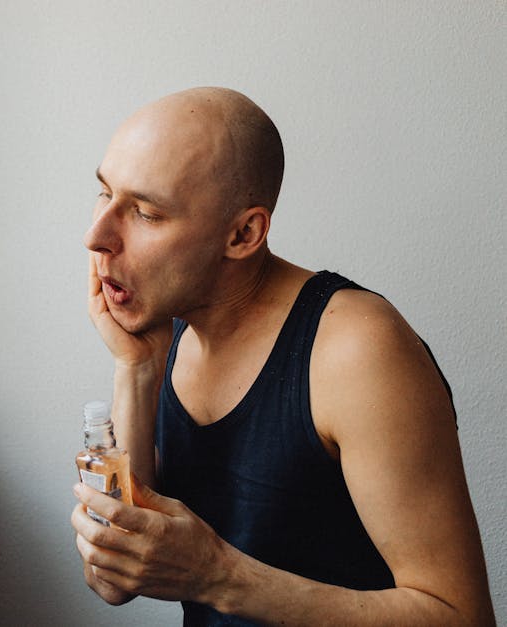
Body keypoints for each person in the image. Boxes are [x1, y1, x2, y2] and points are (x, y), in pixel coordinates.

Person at [70, 86, 494, 626]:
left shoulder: (357, 352)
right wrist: (136, 369)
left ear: (245, 233)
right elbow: (112, 582)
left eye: (146, 213)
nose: (96, 235)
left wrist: (217, 575)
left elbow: (461, 616)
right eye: (104, 193)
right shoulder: (168, 323)